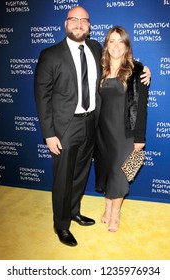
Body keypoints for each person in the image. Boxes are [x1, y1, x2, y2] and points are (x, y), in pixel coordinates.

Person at [34, 7, 150, 247]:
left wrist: (144, 69)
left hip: (92, 124)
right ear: (66, 23)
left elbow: (124, 63)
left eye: (84, 20)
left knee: (81, 175)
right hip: (66, 128)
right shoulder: (50, 54)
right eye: (74, 20)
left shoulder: (96, 49)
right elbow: (42, 97)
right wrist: (48, 134)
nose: (79, 24)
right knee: (63, 177)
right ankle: (61, 225)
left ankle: (74, 211)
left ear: (89, 25)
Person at [94, 26, 149, 233]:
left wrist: (139, 137)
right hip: (101, 132)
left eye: (121, 41)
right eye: (112, 41)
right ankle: (107, 208)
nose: (116, 46)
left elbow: (141, 107)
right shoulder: (99, 69)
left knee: (119, 174)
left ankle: (116, 213)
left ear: (127, 46)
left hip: (125, 133)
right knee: (108, 171)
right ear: (106, 45)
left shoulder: (137, 70)